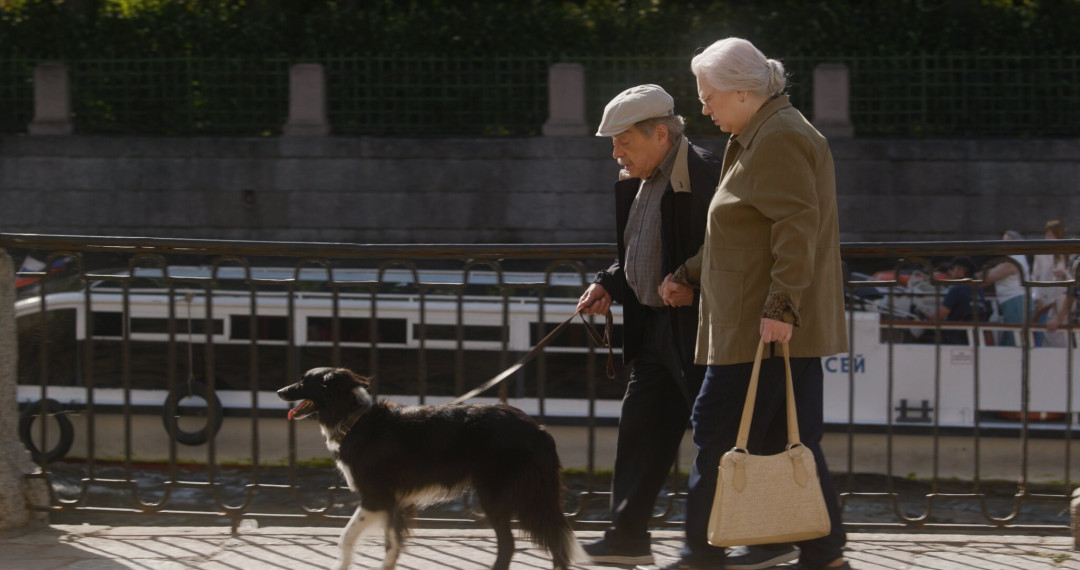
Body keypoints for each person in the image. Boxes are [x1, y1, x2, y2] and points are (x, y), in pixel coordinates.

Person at [577, 84, 796, 570]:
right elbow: (641, 247)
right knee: (641, 431)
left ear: (659, 134)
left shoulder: (703, 174)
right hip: (656, 327)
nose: (616, 153)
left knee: (732, 436)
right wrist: (610, 281)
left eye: (623, 142)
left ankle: (770, 538)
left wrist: (695, 290)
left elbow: (738, 251)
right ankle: (627, 535)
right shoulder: (643, 174)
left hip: (699, 330)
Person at [655, 37, 850, 570]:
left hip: (758, 326)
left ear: (743, 92)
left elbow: (795, 226)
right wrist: (687, 273)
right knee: (787, 439)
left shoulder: (778, 137)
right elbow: (744, 230)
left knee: (717, 431)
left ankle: (701, 551)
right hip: (765, 322)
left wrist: (780, 307)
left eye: (709, 95)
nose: (703, 106)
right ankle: (819, 551)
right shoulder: (766, 132)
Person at [917, 256, 985, 345]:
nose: (949, 272)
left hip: (953, 337)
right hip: (973, 338)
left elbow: (937, 318)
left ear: (961, 271)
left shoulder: (956, 290)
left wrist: (922, 311)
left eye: (952, 269)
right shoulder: (978, 290)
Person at [982, 230, 1031, 346]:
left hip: (1015, 302)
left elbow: (989, 277)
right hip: (1011, 302)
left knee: (1015, 339)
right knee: (1010, 336)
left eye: (1006, 242)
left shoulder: (1015, 259)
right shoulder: (1013, 259)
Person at [1031, 220, 1069, 347]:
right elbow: (1034, 277)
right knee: (1044, 333)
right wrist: (1036, 297)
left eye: (1051, 235)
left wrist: (1063, 274)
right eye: (1046, 235)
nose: (1048, 238)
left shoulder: (1068, 254)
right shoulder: (1040, 254)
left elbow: (1073, 277)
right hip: (1045, 298)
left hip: (1062, 298)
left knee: (1061, 334)